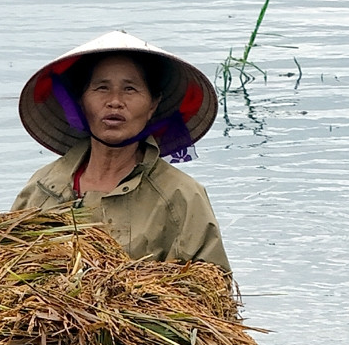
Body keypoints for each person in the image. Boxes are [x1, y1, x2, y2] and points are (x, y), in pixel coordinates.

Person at [13, 30, 230, 272]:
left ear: (152, 105)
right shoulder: (43, 188)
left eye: (130, 89)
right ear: (81, 102)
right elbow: (5, 270)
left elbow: (209, 287)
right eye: (101, 88)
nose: (115, 101)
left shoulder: (181, 196)